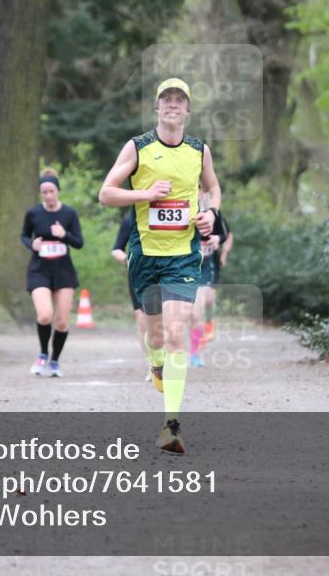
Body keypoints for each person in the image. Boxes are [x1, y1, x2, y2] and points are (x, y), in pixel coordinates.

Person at [99, 77, 221, 454]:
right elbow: (106, 193)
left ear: (187, 109)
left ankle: (171, 427)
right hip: (144, 258)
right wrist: (145, 194)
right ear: (157, 107)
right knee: (155, 339)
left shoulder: (200, 151)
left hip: (182, 257)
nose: (172, 104)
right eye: (166, 99)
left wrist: (210, 215)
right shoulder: (138, 148)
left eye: (179, 99)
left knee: (175, 334)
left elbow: (213, 188)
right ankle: (155, 365)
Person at [21, 169, 83, 378]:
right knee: (45, 314)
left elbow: (79, 243)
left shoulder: (69, 214)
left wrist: (64, 234)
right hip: (39, 270)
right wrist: (32, 244)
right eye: (43, 192)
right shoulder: (33, 213)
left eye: (51, 191)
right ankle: (42, 353)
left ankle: (55, 360)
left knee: (63, 321)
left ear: (58, 191)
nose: (47, 195)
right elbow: (24, 236)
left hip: (63, 272)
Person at [190, 191, 231, 368]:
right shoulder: (184, 209)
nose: (201, 193)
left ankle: (194, 354)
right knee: (186, 314)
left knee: (197, 312)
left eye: (204, 189)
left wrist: (217, 239)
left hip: (206, 267)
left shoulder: (214, 214)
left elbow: (226, 234)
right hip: (183, 267)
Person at [111, 209, 150, 380]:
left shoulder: (170, 214)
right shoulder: (130, 218)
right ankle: (152, 365)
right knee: (142, 321)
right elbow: (116, 249)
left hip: (165, 271)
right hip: (137, 273)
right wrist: (127, 259)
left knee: (164, 318)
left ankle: (169, 357)